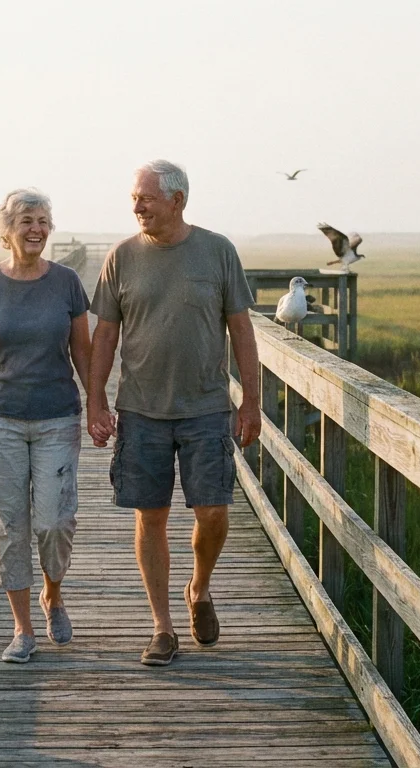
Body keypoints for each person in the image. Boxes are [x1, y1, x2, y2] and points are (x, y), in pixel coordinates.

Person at [86, 160, 261, 666]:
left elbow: (242, 330)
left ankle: (199, 588)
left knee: (212, 511)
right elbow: (105, 336)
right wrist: (96, 399)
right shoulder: (121, 257)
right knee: (151, 515)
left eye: (146, 198)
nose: (137, 206)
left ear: (178, 200)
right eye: (134, 199)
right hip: (141, 408)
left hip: (206, 406)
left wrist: (250, 400)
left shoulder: (217, 251)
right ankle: (162, 627)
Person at [0, 188, 93, 663]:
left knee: (53, 522)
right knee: (8, 524)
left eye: (44, 220)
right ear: (7, 230)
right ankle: (23, 629)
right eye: (27, 220)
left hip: (57, 416)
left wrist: (101, 405)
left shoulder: (67, 282)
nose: (37, 229)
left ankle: (53, 594)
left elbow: (83, 351)